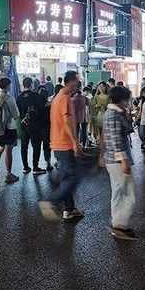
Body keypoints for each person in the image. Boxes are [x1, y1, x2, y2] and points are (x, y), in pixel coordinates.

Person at [39, 71, 84, 222]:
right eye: (77, 81)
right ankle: (51, 201)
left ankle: (69, 209)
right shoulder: (64, 98)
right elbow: (66, 122)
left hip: (58, 143)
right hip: (65, 144)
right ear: (70, 81)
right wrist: (75, 142)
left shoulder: (58, 97)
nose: (78, 83)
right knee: (73, 177)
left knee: (66, 178)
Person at [103, 86, 138, 240]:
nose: (129, 101)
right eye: (127, 99)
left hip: (112, 159)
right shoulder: (113, 115)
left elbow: (128, 130)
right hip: (117, 160)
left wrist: (126, 115)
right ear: (122, 99)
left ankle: (118, 223)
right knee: (128, 193)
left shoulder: (115, 112)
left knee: (118, 191)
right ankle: (120, 226)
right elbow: (116, 139)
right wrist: (123, 160)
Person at [17, 77, 45, 175]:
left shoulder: (19, 97)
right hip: (35, 125)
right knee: (36, 146)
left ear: (23, 85)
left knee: (24, 146)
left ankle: (25, 167)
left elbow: (18, 112)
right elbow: (41, 110)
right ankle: (35, 167)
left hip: (23, 124)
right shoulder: (36, 96)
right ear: (31, 84)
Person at [37, 86, 53, 171]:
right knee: (47, 146)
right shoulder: (49, 105)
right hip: (47, 127)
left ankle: (35, 165)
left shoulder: (36, 105)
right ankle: (48, 163)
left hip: (37, 128)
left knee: (37, 146)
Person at [91, 82, 109, 146]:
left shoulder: (108, 96)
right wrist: (97, 106)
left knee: (106, 130)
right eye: (100, 86)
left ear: (106, 87)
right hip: (99, 115)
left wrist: (105, 107)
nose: (101, 88)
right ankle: (100, 142)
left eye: (103, 86)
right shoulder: (96, 96)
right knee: (99, 130)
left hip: (107, 115)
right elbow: (93, 105)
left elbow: (110, 105)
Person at [71, 85, 89, 149]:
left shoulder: (72, 99)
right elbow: (88, 104)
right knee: (84, 131)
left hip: (75, 118)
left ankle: (76, 145)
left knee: (76, 131)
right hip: (83, 117)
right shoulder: (84, 98)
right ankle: (84, 145)